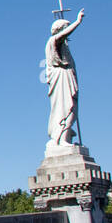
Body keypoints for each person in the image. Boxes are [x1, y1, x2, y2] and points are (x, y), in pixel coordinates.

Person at [46, 9, 85, 148]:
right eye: (65, 28)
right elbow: (61, 36)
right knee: (64, 107)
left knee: (72, 108)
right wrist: (77, 22)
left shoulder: (64, 47)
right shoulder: (53, 41)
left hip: (67, 77)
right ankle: (61, 139)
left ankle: (66, 137)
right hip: (61, 79)